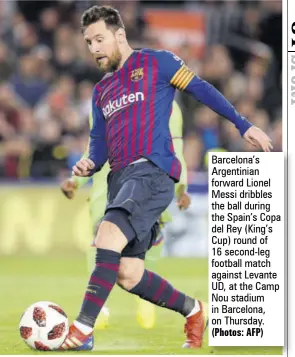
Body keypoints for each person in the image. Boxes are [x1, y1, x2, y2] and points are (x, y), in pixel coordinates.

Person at [60, 5, 272, 351]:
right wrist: (87, 164)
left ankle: (82, 329)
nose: (94, 48)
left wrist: (242, 124)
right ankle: (195, 310)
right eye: (88, 42)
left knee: (107, 235)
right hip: (120, 179)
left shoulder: (158, 62)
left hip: (152, 171)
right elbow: (98, 151)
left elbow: (203, 90)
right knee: (128, 273)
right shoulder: (101, 92)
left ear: (120, 35)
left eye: (99, 39)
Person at [61, 100, 190, 330]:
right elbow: (93, 147)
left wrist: (182, 186)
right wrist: (76, 180)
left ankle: (145, 296)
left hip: (149, 177)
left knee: (147, 236)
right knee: (101, 237)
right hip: (108, 179)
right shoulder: (104, 98)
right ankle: (98, 309)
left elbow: (176, 149)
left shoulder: (168, 105)